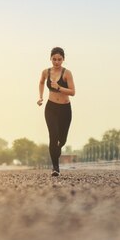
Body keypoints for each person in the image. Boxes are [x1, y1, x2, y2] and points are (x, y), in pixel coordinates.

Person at [37, 47, 76, 176]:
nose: (56, 62)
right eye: (54, 59)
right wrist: (40, 97)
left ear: (63, 59)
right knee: (53, 136)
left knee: (62, 140)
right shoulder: (46, 72)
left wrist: (59, 88)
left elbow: (73, 92)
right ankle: (55, 167)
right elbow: (41, 82)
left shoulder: (67, 73)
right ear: (50, 59)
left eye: (59, 59)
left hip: (65, 109)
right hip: (51, 108)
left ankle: (58, 148)